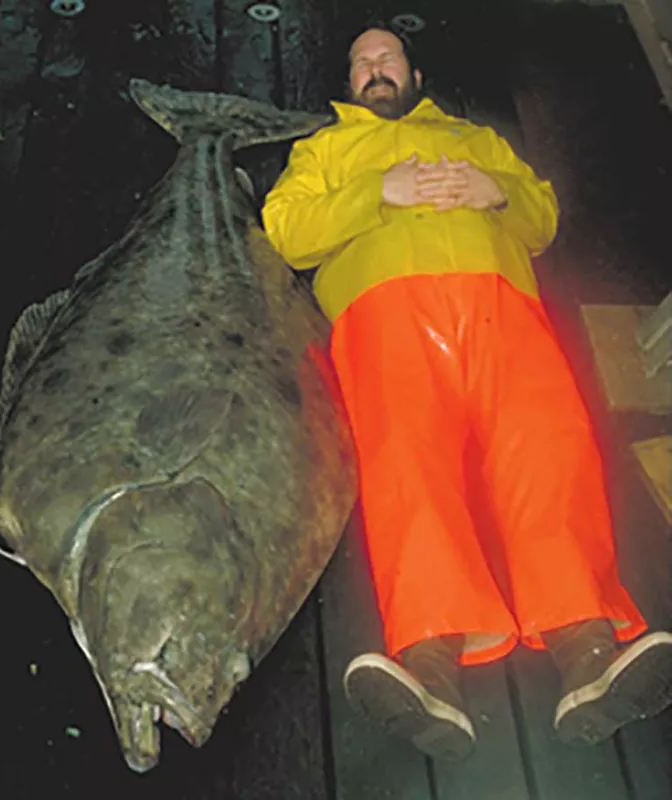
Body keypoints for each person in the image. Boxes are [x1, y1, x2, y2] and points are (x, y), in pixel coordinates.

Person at [261, 25, 672, 761]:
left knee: (549, 450)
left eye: (385, 57)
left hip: (502, 306)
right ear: (349, 83)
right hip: (383, 314)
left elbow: (540, 217)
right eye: (360, 63)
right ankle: (430, 667)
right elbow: (286, 232)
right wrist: (375, 192)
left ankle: (588, 651)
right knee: (405, 468)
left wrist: (496, 192)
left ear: (414, 72)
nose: (373, 69)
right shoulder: (322, 151)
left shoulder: (474, 139)